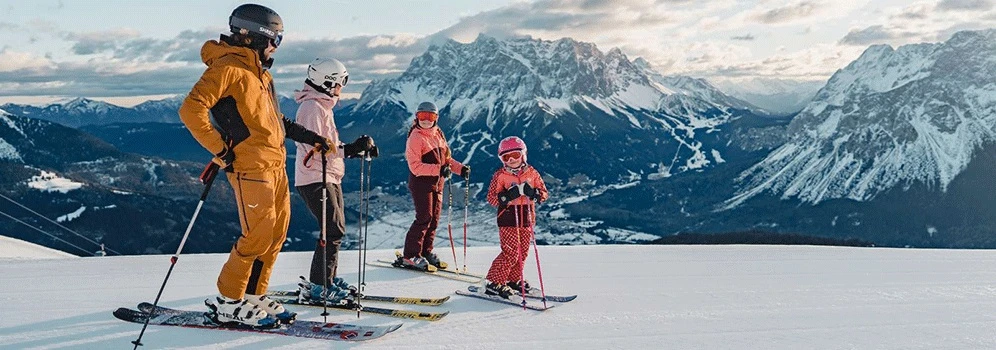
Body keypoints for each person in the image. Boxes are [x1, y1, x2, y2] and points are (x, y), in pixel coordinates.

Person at [178, 3, 331, 327]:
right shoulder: (227, 68)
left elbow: (274, 121)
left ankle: (253, 295)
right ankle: (228, 301)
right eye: (276, 38)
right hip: (250, 166)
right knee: (257, 235)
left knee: (275, 234)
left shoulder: (260, 74)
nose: (277, 45)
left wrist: (312, 136)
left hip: (274, 164)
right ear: (256, 37)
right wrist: (220, 151)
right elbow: (191, 110)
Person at [290, 58, 375, 304]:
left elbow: (328, 146)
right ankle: (319, 286)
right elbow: (316, 146)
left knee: (336, 228)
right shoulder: (312, 108)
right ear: (327, 82)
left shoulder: (322, 106)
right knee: (332, 229)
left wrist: (355, 150)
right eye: (340, 82)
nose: (342, 87)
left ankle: (328, 278)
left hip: (328, 175)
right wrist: (349, 149)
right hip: (315, 177)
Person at [394, 102, 469, 272]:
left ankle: (425, 252)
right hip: (421, 184)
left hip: (438, 184)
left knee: (434, 220)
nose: (426, 120)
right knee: (424, 218)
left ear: (436, 118)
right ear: (416, 117)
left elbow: (447, 160)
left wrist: (460, 169)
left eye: (431, 116)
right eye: (423, 116)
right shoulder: (415, 137)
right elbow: (415, 167)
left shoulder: (438, 134)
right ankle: (411, 255)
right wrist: (439, 170)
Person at [483, 136, 548, 299]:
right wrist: (506, 196)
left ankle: (512, 279)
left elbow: (544, 193)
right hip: (508, 219)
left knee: (522, 252)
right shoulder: (500, 175)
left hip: (527, 218)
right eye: (506, 157)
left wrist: (534, 194)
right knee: (510, 252)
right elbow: (491, 198)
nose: (511, 160)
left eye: (515, 155)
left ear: (523, 155)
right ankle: (494, 282)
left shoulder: (532, 173)